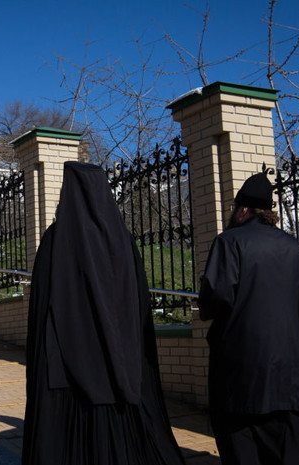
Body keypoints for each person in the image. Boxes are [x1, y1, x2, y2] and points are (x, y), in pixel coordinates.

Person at [22, 162, 185, 465]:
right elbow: (139, 303)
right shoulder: (123, 241)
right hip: (117, 362)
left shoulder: (55, 241)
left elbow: (41, 307)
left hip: (65, 371)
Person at [197, 173, 299, 465]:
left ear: (244, 209)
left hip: (240, 370)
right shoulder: (294, 247)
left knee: (242, 450)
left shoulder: (230, 242)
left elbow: (216, 298)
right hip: (289, 372)